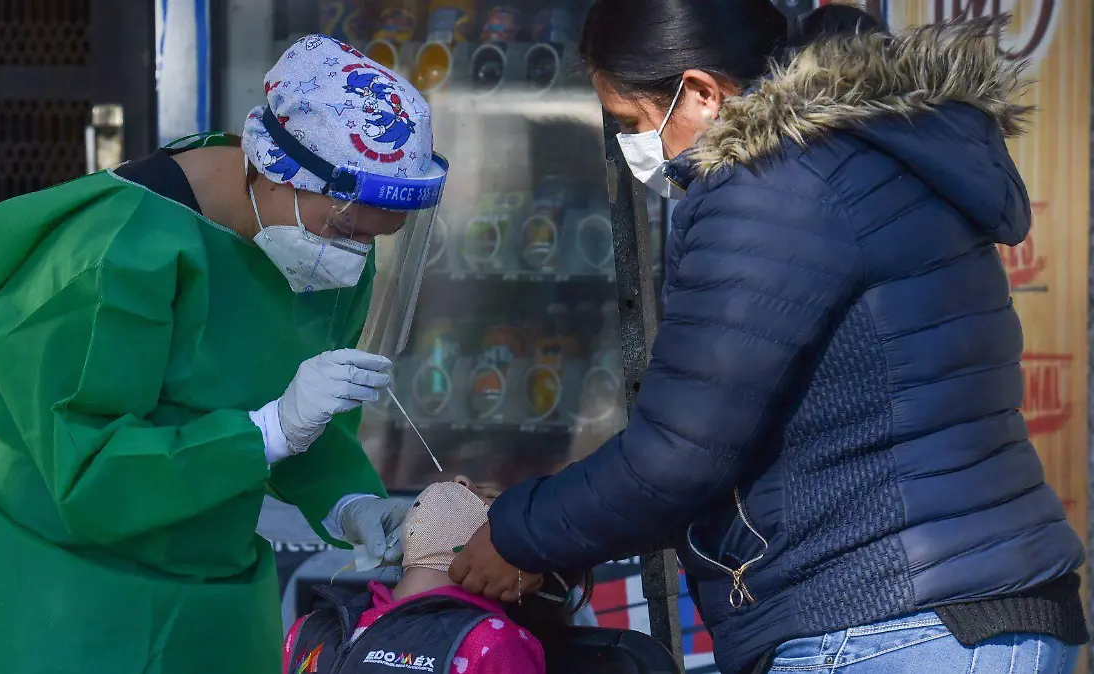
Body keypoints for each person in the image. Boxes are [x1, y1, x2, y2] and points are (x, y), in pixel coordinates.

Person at [449, 4, 1089, 674]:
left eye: (633, 124)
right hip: (977, 610)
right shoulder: (867, 148)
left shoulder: (771, 184)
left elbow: (679, 454)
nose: (636, 148)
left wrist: (519, 534)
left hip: (887, 621)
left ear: (699, 92)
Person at [0, 35, 448, 674]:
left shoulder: (321, 242)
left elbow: (307, 428)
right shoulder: (114, 251)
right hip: (57, 597)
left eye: (376, 239)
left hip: (215, 598)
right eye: (350, 232)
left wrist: (349, 503)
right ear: (273, 168)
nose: (355, 257)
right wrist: (267, 431)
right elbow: (90, 473)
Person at [282, 476, 592, 674]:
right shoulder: (310, 630)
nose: (462, 481)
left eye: (488, 499)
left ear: (518, 571)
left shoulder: (495, 645)